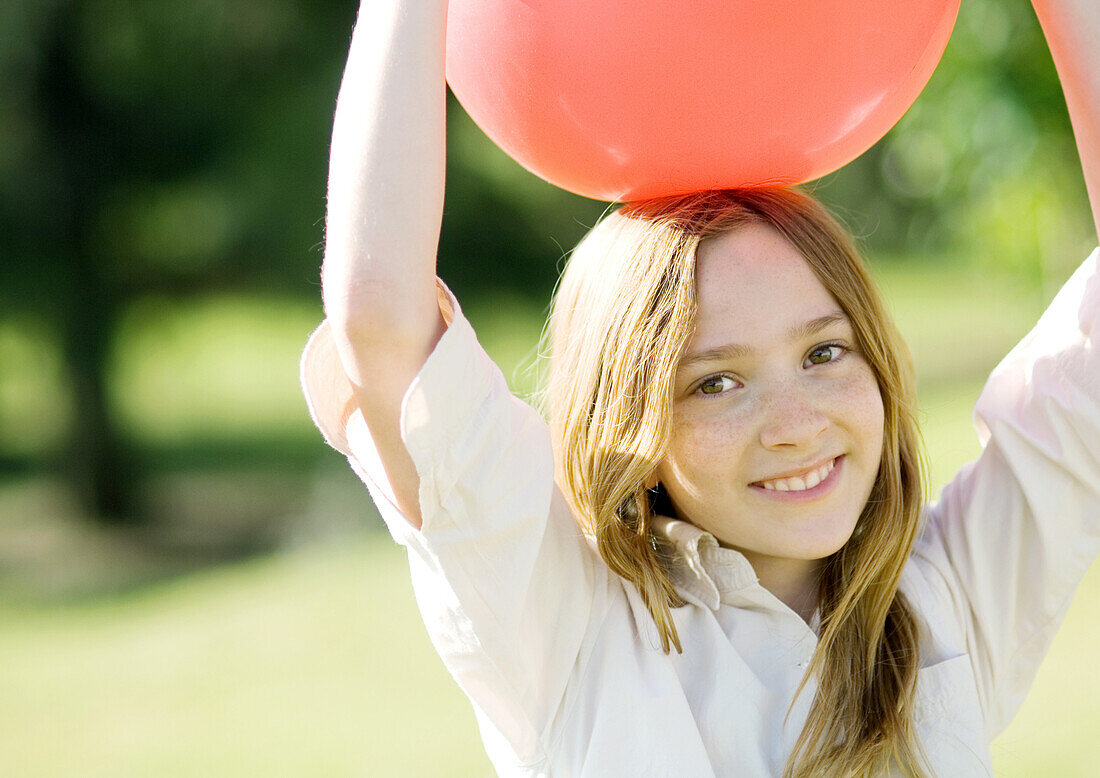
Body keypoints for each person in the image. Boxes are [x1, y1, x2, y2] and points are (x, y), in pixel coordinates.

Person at [301, 1, 1100, 775]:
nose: (794, 424)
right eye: (716, 382)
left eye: (824, 353)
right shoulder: (566, 626)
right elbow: (381, 320)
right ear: (634, 426)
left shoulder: (949, 592)